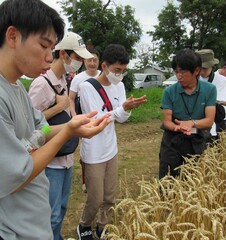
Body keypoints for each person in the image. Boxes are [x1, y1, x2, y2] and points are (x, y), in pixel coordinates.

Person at [0, 1, 111, 239]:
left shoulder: (15, 85)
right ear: (13, 36)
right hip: (14, 230)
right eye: (43, 45)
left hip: (30, 221)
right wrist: (67, 135)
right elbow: (15, 176)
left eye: (52, 48)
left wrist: (71, 125)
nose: (50, 56)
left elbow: (40, 127)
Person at [76, 44, 147, 240]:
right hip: (93, 151)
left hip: (111, 148)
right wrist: (121, 109)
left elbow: (122, 118)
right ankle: (85, 225)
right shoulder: (86, 87)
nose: (120, 75)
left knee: (109, 196)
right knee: (95, 197)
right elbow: (96, 119)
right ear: (105, 66)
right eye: (117, 70)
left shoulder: (120, 86)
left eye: (123, 71)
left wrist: (126, 109)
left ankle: (102, 225)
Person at [28, 32, 93, 240]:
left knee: (62, 208)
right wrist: (57, 109)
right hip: (50, 162)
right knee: (51, 214)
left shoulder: (64, 80)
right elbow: (29, 125)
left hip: (65, 157)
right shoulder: (40, 84)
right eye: (78, 58)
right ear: (63, 54)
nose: (80, 63)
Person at [159, 49, 217, 179]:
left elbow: (209, 121)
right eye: (176, 72)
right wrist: (177, 127)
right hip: (173, 139)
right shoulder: (169, 92)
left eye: (183, 72)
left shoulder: (209, 90)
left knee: (193, 179)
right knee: (168, 179)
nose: (178, 76)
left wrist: (191, 123)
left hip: (196, 137)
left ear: (196, 71)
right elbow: (167, 121)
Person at [196, 49, 226, 141]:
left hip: (217, 119)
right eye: (199, 68)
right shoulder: (193, 79)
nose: (202, 72)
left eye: (205, 68)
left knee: (215, 147)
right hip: (198, 120)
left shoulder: (221, 80)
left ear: (212, 66)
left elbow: (217, 101)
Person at [69, 48, 101, 117]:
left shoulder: (103, 77)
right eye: (89, 60)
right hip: (83, 117)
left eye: (95, 60)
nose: (92, 63)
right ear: (84, 61)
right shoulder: (77, 78)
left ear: (98, 61)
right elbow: (71, 99)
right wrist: (74, 116)